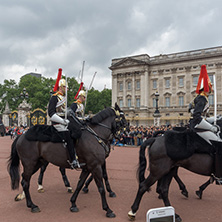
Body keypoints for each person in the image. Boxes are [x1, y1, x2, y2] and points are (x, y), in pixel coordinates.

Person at [189, 64, 222, 184]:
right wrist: (212, 127)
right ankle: (218, 175)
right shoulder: (202, 99)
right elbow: (197, 117)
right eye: (210, 86)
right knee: (219, 144)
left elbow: (201, 116)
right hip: (197, 126)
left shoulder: (199, 98)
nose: (211, 88)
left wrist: (215, 119)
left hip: (197, 124)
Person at [48, 78, 80, 169]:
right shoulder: (54, 97)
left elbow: (64, 111)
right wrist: (62, 121)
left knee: (77, 131)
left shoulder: (63, 98)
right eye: (66, 87)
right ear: (61, 87)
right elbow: (51, 113)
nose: (68, 89)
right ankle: (73, 159)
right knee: (69, 136)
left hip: (64, 122)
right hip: (57, 123)